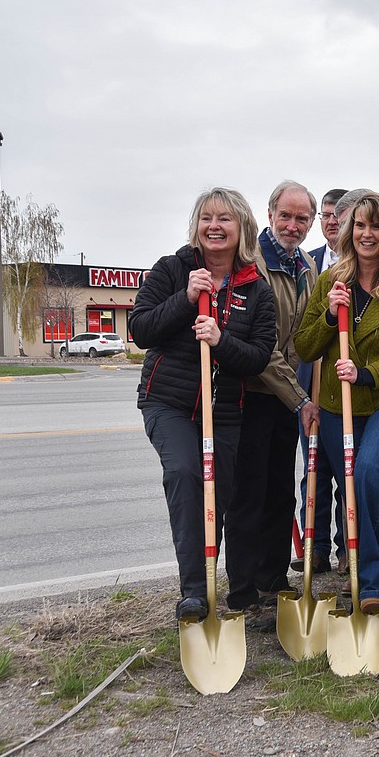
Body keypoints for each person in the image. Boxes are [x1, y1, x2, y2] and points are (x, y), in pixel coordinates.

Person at [130, 187, 276, 621]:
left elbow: (257, 356)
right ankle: (193, 592)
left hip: (225, 410)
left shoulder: (256, 288)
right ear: (196, 226)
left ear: (242, 228)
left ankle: (222, 587)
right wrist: (185, 300)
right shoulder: (172, 270)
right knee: (184, 474)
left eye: (225, 219)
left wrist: (220, 340)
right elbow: (140, 329)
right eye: (206, 218)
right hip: (167, 403)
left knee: (219, 496)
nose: (215, 226)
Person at [294, 191, 379, 618]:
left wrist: (368, 373)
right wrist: (331, 317)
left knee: (369, 471)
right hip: (337, 403)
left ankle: (369, 582)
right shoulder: (329, 280)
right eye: (360, 226)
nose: (367, 234)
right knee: (353, 485)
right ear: (349, 231)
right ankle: (377, 595)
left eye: (376, 226)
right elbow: (305, 344)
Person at [225, 181, 320, 632]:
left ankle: (272, 579)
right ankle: (243, 592)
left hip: (288, 396)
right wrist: (298, 396)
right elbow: (261, 344)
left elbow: (307, 336)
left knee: (281, 491)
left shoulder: (306, 267)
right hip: (253, 391)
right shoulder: (254, 264)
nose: (293, 225)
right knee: (249, 495)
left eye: (303, 218)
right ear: (269, 213)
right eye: (286, 215)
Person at [301, 187, 350, 574]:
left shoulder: (359, 264)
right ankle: (313, 547)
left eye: (339, 214)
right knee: (314, 467)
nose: (332, 221)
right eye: (326, 215)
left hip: (344, 377)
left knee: (345, 467)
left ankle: (347, 546)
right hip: (310, 374)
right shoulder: (308, 263)